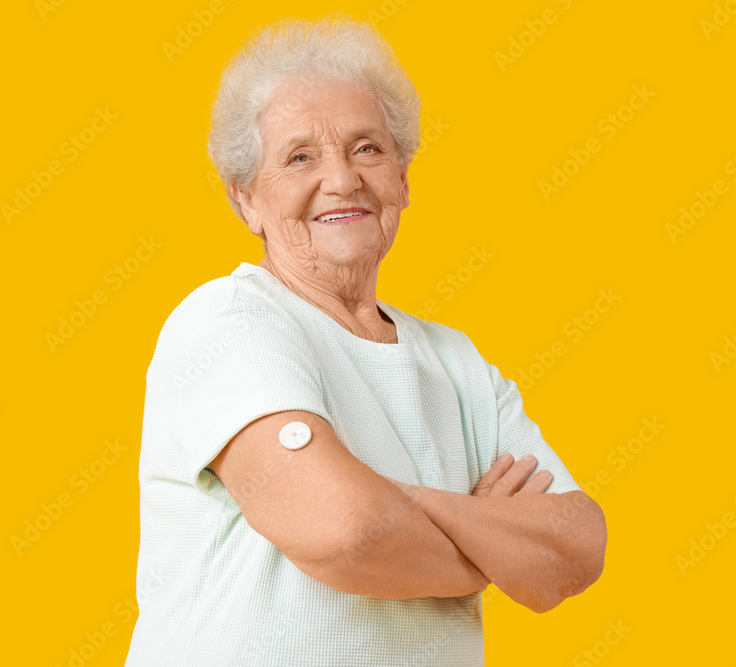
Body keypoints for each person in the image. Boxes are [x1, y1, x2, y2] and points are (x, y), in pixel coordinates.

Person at [125, 14, 606, 667]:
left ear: (402, 180)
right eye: (300, 156)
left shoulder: (455, 360)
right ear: (247, 202)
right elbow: (343, 532)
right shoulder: (229, 323)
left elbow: (574, 550)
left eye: (367, 148)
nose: (343, 179)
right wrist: (493, 539)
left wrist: (389, 503)